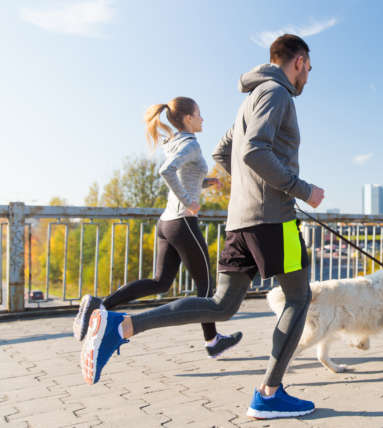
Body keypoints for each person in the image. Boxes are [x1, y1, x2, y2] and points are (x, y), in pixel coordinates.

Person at [80, 34, 325, 420]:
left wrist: (249, 187)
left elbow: (223, 152)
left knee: (221, 306)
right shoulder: (277, 94)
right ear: (297, 61)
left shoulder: (250, 100)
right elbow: (253, 152)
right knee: (297, 299)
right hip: (274, 220)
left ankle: (122, 326)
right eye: (308, 69)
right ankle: (268, 393)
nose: (308, 77)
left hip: (240, 220)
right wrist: (301, 190)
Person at [73, 97, 242, 359]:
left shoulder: (174, 141)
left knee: (161, 282)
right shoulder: (190, 144)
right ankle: (212, 341)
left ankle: (100, 305)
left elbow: (184, 175)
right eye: (199, 114)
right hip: (183, 222)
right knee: (206, 285)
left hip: (167, 223)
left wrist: (206, 183)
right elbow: (167, 170)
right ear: (188, 118)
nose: (202, 119)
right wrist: (190, 201)